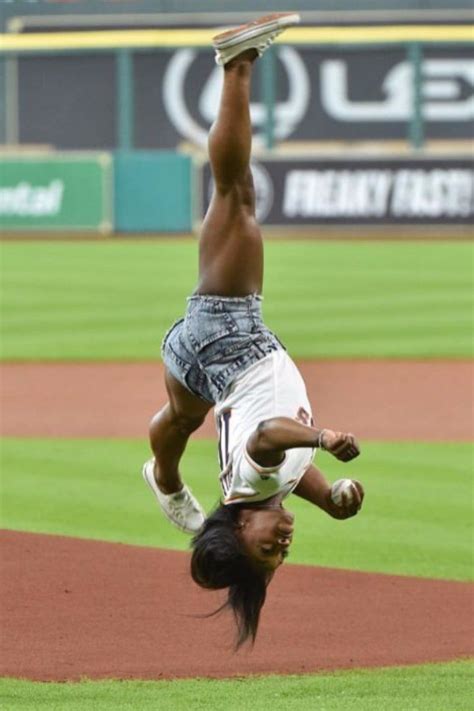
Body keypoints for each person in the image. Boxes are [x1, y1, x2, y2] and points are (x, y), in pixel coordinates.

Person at [142, 12, 364, 649]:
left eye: (266, 552)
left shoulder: (257, 477)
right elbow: (292, 473)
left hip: (227, 334)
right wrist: (334, 499)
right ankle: (163, 473)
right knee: (181, 419)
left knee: (234, 191)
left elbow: (271, 437)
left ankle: (235, 62)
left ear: (237, 530)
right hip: (198, 363)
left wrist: (323, 436)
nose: (282, 547)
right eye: (280, 560)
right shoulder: (263, 491)